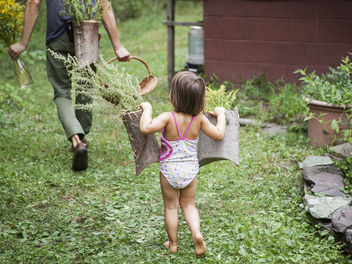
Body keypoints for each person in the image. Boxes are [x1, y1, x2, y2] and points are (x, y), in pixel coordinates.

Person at [8, 0, 130, 171]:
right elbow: (104, 4)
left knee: (62, 93)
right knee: (85, 88)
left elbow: (33, 3)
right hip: (88, 31)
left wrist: (23, 43)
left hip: (57, 37)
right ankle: (82, 138)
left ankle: (76, 139)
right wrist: (117, 46)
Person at [139, 71, 226, 257]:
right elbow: (219, 134)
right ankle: (197, 234)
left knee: (171, 206)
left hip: (169, 170)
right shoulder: (200, 119)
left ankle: (173, 244)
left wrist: (147, 109)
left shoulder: (167, 117)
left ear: (173, 96)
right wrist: (221, 115)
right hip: (190, 171)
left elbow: (145, 128)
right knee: (189, 205)